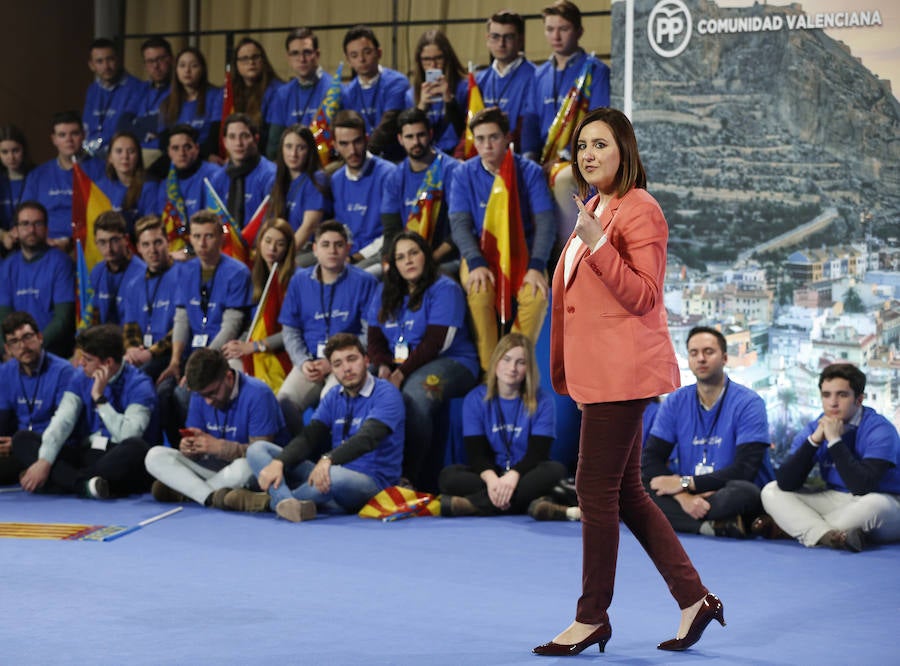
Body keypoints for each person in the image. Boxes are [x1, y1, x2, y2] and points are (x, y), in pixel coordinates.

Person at [534, 108, 722, 656]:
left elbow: (643, 295)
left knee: (594, 489)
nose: (589, 154)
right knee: (628, 493)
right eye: (582, 146)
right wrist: (591, 235)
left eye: (601, 144)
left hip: (624, 373)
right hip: (602, 373)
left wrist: (595, 243)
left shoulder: (641, 210)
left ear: (625, 151)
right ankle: (695, 599)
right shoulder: (595, 205)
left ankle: (591, 617)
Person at [240, 333, 404, 521]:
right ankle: (287, 503)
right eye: (338, 364)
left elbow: (367, 439)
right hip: (328, 473)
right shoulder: (334, 395)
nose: (347, 368)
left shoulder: (386, 393)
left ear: (366, 361)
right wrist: (280, 462)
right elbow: (309, 436)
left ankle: (269, 500)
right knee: (258, 449)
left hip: (372, 484)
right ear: (332, 370)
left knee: (334, 476)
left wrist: (328, 459)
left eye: (352, 359)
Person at [366, 232, 479, 488]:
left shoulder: (444, 288)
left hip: (454, 361)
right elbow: (374, 338)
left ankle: (410, 477)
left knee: (415, 395)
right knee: (361, 383)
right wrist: (384, 365)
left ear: (425, 255)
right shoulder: (386, 290)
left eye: (413, 253)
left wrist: (399, 374)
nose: (408, 261)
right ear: (393, 264)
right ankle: (367, 470)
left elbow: (435, 343)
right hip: (398, 364)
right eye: (400, 257)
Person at [449, 107, 555, 371]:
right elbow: (459, 224)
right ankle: (490, 373)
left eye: (493, 137)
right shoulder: (463, 174)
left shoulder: (527, 171)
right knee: (479, 290)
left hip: (524, 254)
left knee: (536, 295)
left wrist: (536, 265)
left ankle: (513, 364)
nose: (487, 145)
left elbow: (546, 222)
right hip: (480, 254)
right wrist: (474, 262)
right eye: (480, 139)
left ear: (507, 138)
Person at [642, 326, 772, 538]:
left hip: (728, 490)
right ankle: (710, 526)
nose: (701, 358)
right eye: (694, 353)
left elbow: (745, 469)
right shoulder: (675, 401)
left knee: (745, 493)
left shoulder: (749, 403)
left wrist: (685, 483)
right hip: (688, 492)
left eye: (708, 352)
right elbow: (651, 460)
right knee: (636, 487)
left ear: (725, 358)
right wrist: (683, 497)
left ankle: (692, 520)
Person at [760, 363, 900, 551]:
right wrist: (814, 441)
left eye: (842, 395)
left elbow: (863, 486)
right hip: (834, 498)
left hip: (883, 501)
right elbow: (786, 482)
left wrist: (834, 440)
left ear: (859, 400)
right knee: (771, 490)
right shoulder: (815, 427)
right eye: (826, 395)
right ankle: (831, 535)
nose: (832, 403)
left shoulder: (880, 429)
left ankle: (791, 528)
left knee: (874, 506)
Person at [13, 323, 159, 499]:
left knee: (136, 447)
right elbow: (63, 421)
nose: (81, 363)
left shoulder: (139, 385)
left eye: (87, 359)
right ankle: (86, 485)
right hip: (87, 452)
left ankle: (65, 482)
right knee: (22, 439)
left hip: (116, 455)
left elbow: (128, 435)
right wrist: (44, 461)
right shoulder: (80, 377)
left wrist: (100, 398)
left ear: (108, 363)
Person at [438, 332, 565, 516]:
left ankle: (474, 505)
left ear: (528, 368)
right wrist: (493, 481)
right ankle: (525, 503)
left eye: (520, 362)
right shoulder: (474, 399)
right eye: (506, 359)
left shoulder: (543, 401)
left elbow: (538, 454)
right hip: (491, 475)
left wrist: (513, 477)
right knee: (448, 477)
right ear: (496, 361)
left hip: (525, 473)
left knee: (556, 471)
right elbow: (476, 455)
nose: (512, 368)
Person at [144, 347, 289, 508]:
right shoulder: (200, 394)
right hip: (215, 469)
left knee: (244, 469)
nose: (208, 401)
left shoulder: (258, 394)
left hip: (251, 470)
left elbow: (262, 457)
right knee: (154, 455)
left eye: (212, 393)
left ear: (228, 377)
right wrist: (189, 448)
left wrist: (220, 447)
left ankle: (188, 491)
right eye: (202, 395)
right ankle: (212, 497)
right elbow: (196, 443)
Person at [277, 221, 378, 435]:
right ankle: (303, 457)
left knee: (329, 401)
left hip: (348, 361)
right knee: (284, 402)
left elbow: (370, 333)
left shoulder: (365, 281)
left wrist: (333, 362)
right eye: (325, 245)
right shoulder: (299, 281)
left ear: (348, 249)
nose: (332, 250)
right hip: (310, 360)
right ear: (314, 249)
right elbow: (291, 330)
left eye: (339, 245)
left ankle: (327, 459)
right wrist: (303, 361)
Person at [160, 210, 253, 388]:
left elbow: (231, 326)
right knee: (163, 389)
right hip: (191, 352)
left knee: (185, 394)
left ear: (221, 238)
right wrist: (175, 361)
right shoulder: (185, 270)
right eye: (196, 236)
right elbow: (181, 319)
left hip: (221, 353)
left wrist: (200, 364)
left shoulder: (237, 273)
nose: (202, 243)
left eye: (208, 236)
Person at [121, 215, 183, 444]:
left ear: (168, 242)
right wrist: (131, 350)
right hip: (143, 357)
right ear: (137, 248)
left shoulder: (182, 275)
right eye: (146, 244)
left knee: (159, 391)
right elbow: (129, 328)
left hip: (173, 355)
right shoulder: (134, 283)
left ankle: (173, 449)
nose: (152, 250)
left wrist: (150, 352)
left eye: (158, 242)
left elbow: (181, 326)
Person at [0, 312, 78, 486]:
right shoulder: (5, 372)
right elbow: (2, 419)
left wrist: (16, 443)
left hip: (55, 445)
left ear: (40, 337)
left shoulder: (63, 372)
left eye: (27, 337)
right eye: (14, 341)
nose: (23, 346)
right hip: (20, 448)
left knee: (22, 439)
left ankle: (74, 481)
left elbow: (65, 425)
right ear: (7, 349)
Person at [381, 108, 459, 268]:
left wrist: (429, 260)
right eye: (409, 137)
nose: (416, 142)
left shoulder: (453, 171)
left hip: (445, 259)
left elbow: (460, 228)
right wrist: (388, 264)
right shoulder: (394, 177)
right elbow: (391, 230)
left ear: (430, 134)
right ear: (400, 139)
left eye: (421, 135)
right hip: (407, 260)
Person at [221, 218, 296, 384]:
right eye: (267, 241)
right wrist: (238, 344)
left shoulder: (296, 280)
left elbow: (295, 331)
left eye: (280, 244)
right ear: (260, 242)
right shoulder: (254, 277)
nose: (272, 248)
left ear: (288, 249)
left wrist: (254, 346)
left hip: (285, 353)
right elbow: (254, 325)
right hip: (255, 349)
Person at [0, 201, 75, 358]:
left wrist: (32, 346)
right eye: (25, 224)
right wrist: (8, 349)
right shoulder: (7, 266)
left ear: (47, 229)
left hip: (52, 353)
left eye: (37, 224)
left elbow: (63, 319)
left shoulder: (61, 263)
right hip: (17, 355)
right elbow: (3, 316)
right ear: (16, 230)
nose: (31, 230)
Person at [21, 111, 105, 247]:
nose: (69, 140)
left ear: (83, 135)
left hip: (89, 246)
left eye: (74, 133)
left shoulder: (101, 170)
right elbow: (25, 216)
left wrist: (70, 242)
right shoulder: (37, 175)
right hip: (45, 246)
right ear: (54, 139)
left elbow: (104, 216)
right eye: (62, 135)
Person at [329, 110, 398, 273]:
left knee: (351, 280)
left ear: (366, 138)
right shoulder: (336, 180)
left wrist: (355, 257)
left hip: (380, 254)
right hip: (346, 254)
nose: (352, 150)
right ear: (335, 146)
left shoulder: (388, 174)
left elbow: (392, 232)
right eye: (344, 144)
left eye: (357, 141)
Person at [340, 25, 409, 162]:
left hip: (395, 158)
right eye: (354, 55)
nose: (361, 59)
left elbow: (387, 126)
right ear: (348, 61)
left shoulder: (396, 82)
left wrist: (363, 155)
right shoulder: (347, 92)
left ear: (379, 52)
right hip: (360, 158)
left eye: (367, 52)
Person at [475, 11, 539, 157]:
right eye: (495, 37)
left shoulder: (536, 76)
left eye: (508, 37)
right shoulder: (480, 80)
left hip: (520, 156)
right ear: (487, 39)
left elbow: (531, 127)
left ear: (521, 40)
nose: (501, 44)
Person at [265, 27, 335, 159]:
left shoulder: (334, 90)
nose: (301, 59)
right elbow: (273, 148)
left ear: (317, 54)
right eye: (295, 53)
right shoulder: (282, 94)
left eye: (307, 52)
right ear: (288, 58)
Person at [268, 124, 330, 264]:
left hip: (308, 250)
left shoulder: (317, 179)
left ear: (310, 151)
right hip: (283, 249)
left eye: (300, 148)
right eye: (288, 147)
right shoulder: (276, 182)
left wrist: (284, 257)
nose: (293, 154)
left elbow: (309, 227)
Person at [209, 113, 276, 235]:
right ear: (225, 142)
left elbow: (272, 223)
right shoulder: (217, 178)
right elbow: (213, 221)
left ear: (256, 139)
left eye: (244, 136)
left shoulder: (270, 175)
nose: (238, 143)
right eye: (232, 137)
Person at [407, 29, 468, 156]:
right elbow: (409, 135)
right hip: (425, 155)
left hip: (456, 155)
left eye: (438, 58)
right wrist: (421, 108)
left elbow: (465, 130)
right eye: (426, 60)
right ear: (419, 62)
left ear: (447, 58)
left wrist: (449, 101)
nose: (433, 65)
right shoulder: (411, 94)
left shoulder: (464, 87)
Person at [159, 47, 224, 163]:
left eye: (193, 66)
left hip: (205, 156)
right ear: (176, 70)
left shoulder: (216, 96)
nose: (187, 71)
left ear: (202, 69)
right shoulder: (166, 102)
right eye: (182, 66)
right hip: (176, 159)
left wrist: (199, 155)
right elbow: (163, 142)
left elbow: (215, 136)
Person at [82, 38, 143, 159]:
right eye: (100, 61)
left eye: (110, 59)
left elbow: (122, 129)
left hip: (121, 155)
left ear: (118, 60)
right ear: (91, 65)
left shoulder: (137, 88)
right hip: (91, 154)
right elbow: (87, 127)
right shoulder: (92, 90)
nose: (106, 66)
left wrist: (94, 145)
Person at [154, 124, 221, 232]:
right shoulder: (166, 185)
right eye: (175, 148)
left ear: (197, 148)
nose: (182, 153)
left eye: (187, 147)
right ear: (169, 152)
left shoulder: (215, 174)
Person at [89, 211, 147, 325]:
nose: (108, 249)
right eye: (102, 242)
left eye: (114, 240)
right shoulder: (97, 272)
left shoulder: (142, 273)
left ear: (126, 239)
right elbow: (92, 315)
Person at [96, 131, 157, 238]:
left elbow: (150, 226)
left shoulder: (150, 186)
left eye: (131, 151)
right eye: (119, 151)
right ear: (110, 157)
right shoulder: (100, 187)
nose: (125, 156)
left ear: (138, 156)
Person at [231, 37, 283, 154]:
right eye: (244, 58)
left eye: (255, 57)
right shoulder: (229, 92)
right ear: (236, 64)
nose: (251, 62)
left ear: (263, 60)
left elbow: (272, 139)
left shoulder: (277, 91)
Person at [132, 36, 173, 163]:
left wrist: (138, 123)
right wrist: (145, 131)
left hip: (162, 152)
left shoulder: (179, 89)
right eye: (150, 61)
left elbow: (166, 123)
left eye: (160, 59)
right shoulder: (140, 89)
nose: (155, 66)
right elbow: (122, 123)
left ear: (171, 59)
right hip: (136, 149)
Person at [0, 125, 35, 249]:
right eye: (5, 152)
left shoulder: (36, 177)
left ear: (23, 150)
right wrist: (3, 235)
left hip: (32, 239)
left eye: (15, 150)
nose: (11, 157)